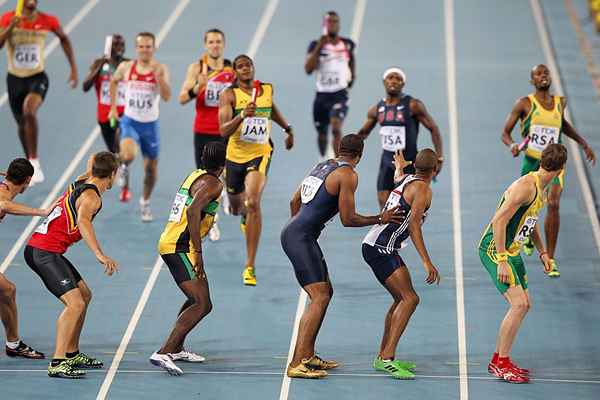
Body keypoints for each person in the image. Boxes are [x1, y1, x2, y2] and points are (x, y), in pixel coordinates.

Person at [281, 134, 403, 379]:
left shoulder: (323, 166)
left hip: (296, 234)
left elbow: (294, 200)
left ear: (339, 149)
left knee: (325, 292)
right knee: (319, 296)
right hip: (300, 238)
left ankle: (307, 355)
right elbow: (348, 220)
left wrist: (303, 227)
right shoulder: (348, 175)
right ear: (360, 154)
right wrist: (381, 218)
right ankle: (296, 363)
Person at [24, 152, 119, 379]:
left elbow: (92, 162)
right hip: (43, 252)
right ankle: (58, 362)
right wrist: (99, 254)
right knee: (75, 304)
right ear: (113, 175)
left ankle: (72, 352)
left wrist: (100, 159)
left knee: (84, 295)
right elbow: (83, 221)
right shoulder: (92, 198)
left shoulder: (80, 181)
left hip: (46, 250)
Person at [479, 144, 567, 384]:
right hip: (494, 249)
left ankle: (499, 359)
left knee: (525, 304)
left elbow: (530, 221)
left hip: (512, 250)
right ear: (561, 170)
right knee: (518, 305)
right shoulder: (525, 187)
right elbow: (498, 222)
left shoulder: (542, 189)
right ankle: (501, 363)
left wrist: (543, 253)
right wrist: (502, 260)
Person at [501, 64, 596, 277]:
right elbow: (505, 132)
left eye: (546, 73)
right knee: (527, 204)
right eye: (538, 74)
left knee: (553, 203)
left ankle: (550, 258)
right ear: (532, 80)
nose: (544, 76)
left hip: (555, 163)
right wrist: (512, 145)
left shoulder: (560, 103)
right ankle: (526, 238)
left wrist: (583, 143)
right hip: (533, 162)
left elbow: (562, 125)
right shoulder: (524, 103)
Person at [362, 149, 440, 379]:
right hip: (380, 247)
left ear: (415, 166)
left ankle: (384, 357)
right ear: (434, 171)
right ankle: (386, 358)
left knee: (402, 299)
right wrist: (427, 262)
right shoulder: (423, 189)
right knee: (410, 299)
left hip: (380, 244)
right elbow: (414, 226)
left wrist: (399, 166)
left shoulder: (408, 178)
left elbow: (397, 178)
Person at [150, 142, 226, 376]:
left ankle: (177, 347)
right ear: (224, 163)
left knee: (199, 299)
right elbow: (193, 212)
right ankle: (164, 352)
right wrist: (199, 253)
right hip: (179, 247)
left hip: (178, 243)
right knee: (202, 304)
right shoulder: (214, 184)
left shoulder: (196, 175)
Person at [219, 54, 293, 286]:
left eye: (248, 65)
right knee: (235, 205)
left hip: (260, 153)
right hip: (234, 157)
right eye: (240, 67)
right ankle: (241, 213)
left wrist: (287, 129)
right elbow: (223, 131)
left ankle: (249, 266)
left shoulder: (266, 90)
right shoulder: (229, 95)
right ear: (234, 72)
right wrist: (242, 115)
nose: (246, 69)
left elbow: (271, 109)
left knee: (253, 202)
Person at [0, 0, 78, 184]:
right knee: (21, 124)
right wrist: (11, 26)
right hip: (15, 80)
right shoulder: (8, 18)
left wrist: (73, 68)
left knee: (29, 110)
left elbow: (64, 38)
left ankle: (34, 161)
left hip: (37, 77)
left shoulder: (47, 20)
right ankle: (29, 162)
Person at [358, 68, 444, 208]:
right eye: (390, 77)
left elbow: (433, 129)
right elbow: (363, 133)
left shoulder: (413, 105)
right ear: (384, 82)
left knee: (408, 207)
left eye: (398, 78)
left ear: (403, 83)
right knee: (384, 207)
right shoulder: (377, 109)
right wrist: (347, 151)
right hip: (386, 163)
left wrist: (439, 157)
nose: (394, 81)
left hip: (408, 163)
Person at [178, 28, 234, 241]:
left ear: (223, 44)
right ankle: (212, 222)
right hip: (202, 130)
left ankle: (228, 191)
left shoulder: (231, 70)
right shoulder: (197, 68)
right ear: (205, 45)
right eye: (211, 42)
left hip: (224, 129)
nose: (215, 45)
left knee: (227, 170)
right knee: (206, 181)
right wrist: (197, 87)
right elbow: (182, 98)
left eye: (218, 41)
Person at [109, 31, 171, 220]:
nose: (145, 50)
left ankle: (145, 202)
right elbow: (113, 81)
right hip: (130, 121)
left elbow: (167, 97)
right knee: (128, 154)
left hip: (150, 126)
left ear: (154, 48)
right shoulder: (127, 67)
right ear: (136, 48)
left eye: (148, 46)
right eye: (141, 46)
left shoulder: (161, 68)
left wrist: (159, 78)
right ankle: (123, 164)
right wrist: (113, 108)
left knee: (151, 170)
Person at [0, 158, 52, 360]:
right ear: (28, 180)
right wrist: (42, 212)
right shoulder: (4, 195)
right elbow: (3, 204)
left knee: (6, 290)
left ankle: (13, 344)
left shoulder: (5, 186)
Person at [305, 11, 355, 157]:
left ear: (339, 25)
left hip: (339, 94)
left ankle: (338, 163)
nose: (332, 24)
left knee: (336, 127)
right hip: (321, 96)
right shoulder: (315, 45)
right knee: (322, 133)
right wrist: (320, 45)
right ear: (324, 25)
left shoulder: (347, 44)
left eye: (335, 21)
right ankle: (322, 160)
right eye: (329, 22)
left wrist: (351, 78)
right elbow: (308, 69)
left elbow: (351, 61)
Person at [82, 34, 128, 153]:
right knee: (113, 151)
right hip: (104, 114)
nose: (120, 48)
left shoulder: (129, 64)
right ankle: (119, 169)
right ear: (109, 47)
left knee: (119, 144)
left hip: (124, 113)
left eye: (122, 45)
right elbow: (85, 86)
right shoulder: (99, 64)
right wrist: (100, 66)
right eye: (116, 45)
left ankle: (123, 169)